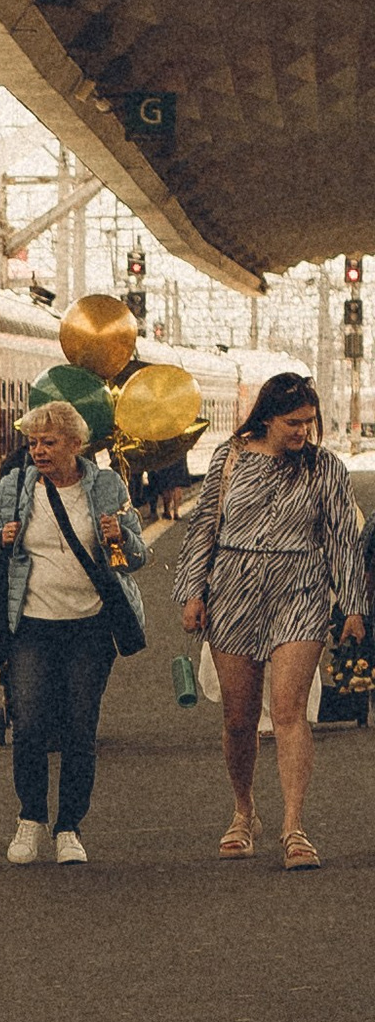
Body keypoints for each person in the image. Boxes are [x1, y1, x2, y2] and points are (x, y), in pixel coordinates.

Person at [175, 370, 368, 865]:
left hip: (300, 589)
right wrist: (192, 592)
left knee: (289, 712)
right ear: (265, 418)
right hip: (235, 590)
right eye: (291, 423)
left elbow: (343, 538)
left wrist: (352, 606)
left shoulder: (325, 468)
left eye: (308, 422)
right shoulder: (230, 458)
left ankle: (294, 827)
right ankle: (244, 811)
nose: (302, 431)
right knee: (239, 719)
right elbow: (204, 530)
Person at [0, 399, 145, 863]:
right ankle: (30, 820)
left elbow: (140, 554)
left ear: (75, 443)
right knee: (28, 724)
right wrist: (1, 538)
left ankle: (69, 827)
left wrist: (120, 538)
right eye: (33, 443)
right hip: (31, 625)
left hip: (90, 627)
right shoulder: (17, 485)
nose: (39, 451)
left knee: (79, 728)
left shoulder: (107, 486)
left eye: (49, 442)